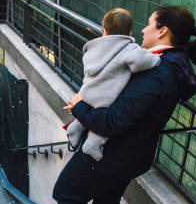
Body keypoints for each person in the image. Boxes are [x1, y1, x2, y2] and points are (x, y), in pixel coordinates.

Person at [53, 6, 196, 204]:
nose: (142, 29)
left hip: (114, 153)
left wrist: (80, 107)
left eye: (149, 24)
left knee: (66, 194)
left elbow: (114, 122)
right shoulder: (168, 65)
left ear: (162, 31)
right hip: (132, 154)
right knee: (106, 202)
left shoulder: (158, 71)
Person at [66, 8, 160, 161]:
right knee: (103, 121)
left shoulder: (94, 47)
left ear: (104, 30)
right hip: (105, 99)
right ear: (129, 32)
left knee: (85, 114)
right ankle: (94, 143)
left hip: (86, 93)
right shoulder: (128, 49)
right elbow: (140, 63)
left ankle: (75, 127)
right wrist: (155, 59)